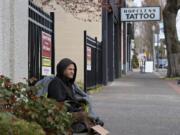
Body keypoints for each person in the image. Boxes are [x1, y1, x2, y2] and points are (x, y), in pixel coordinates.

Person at [47, 58, 103, 133]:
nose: (72, 72)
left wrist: (78, 105)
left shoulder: (68, 83)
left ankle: (86, 126)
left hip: (71, 113)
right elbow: (59, 104)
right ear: (62, 69)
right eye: (70, 69)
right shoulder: (56, 83)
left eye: (73, 69)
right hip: (60, 116)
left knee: (89, 119)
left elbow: (71, 100)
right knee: (84, 115)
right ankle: (87, 126)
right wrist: (75, 110)